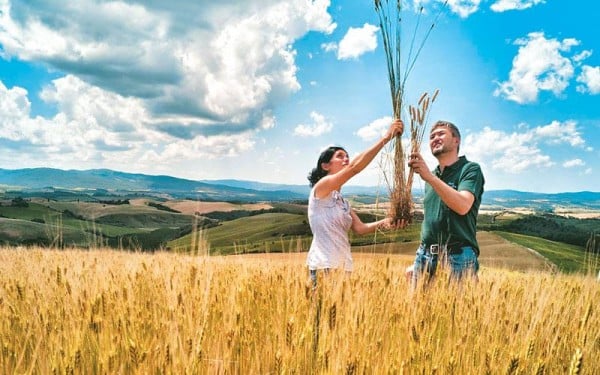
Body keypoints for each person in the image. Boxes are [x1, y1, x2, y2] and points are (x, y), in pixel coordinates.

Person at [306, 119, 404, 287]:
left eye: (347, 156)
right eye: (340, 156)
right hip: (324, 266)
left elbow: (360, 228)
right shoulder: (320, 189)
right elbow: (354, 168)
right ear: (325, 166)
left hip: (344, 267)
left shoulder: (342, 201)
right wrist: (386, 137)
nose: (346, 159)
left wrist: (387, 221)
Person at [407, 120, 485, 287]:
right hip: (425, 257)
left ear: (456, 140)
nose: (435, 138)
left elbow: (463, 206)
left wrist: (429, 177)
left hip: (458, 257)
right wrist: (418, 260)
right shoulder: (431, 176)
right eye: (431, 136)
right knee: (417, 312)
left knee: (455, 313)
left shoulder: (470, 169)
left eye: (441, 133)